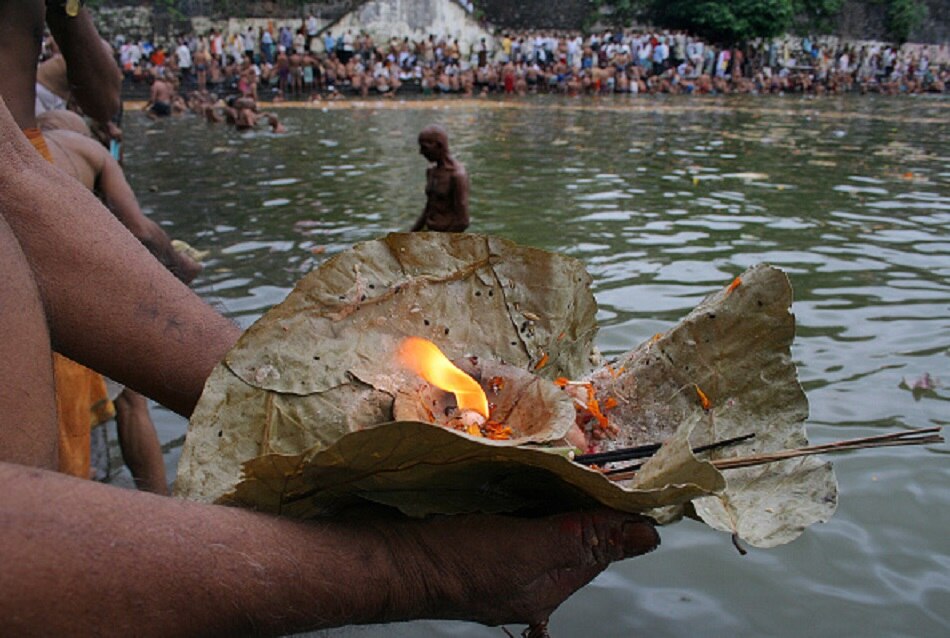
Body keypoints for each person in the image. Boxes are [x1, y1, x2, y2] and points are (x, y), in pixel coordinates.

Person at [0, 5, 660, 633]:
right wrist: (424, 571)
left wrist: (320, 413)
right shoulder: (75, 136)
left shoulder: (59, 144)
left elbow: (17, 188)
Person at [410, 125, 470, 232]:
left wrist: (442, 241)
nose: (421, 152)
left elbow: (463, 221)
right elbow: (429, 208)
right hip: (430, 233)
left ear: (439, 145)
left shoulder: (457, 175)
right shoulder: (431, 172)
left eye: (424, 147)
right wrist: (408, 235)